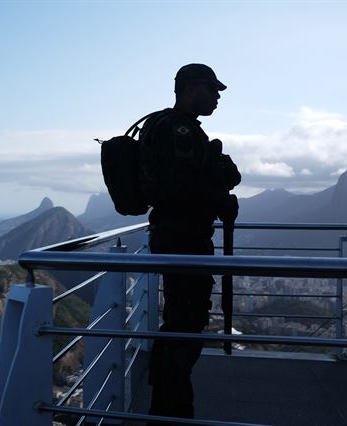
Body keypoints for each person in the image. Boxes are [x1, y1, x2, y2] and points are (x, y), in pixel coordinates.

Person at [138, 63, 241, 419]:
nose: (216, 97)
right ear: (190, 88)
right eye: (211, 89)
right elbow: (182, 187)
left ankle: (167, 405)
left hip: (179, 237)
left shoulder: (175, 129)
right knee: (186, 323)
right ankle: (173, 409)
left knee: (181, 321)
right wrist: (220, 198)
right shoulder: (179, 130)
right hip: (183, 239)